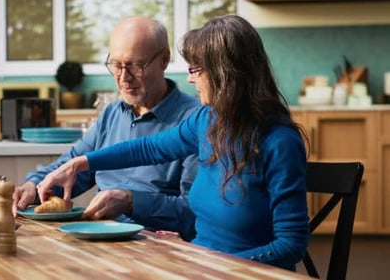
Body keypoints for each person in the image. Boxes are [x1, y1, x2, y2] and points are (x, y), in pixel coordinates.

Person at [36, 15, 310, 271]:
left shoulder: (280, 142)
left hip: (243, 273)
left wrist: (210, 262)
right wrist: (82, 163)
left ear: (226, 75)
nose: (190, 79)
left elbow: (290, 246)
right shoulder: (207, 120)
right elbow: (148, 148)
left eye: (196, 70)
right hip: (198, 266)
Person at [12, 16, 201, 241]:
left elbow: (194, 213)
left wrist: (130, 201)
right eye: (116, 65)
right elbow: (73, 166)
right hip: (97, 238)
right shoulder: (112, 114)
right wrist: (34, 185)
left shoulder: (194, 121)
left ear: (164, 60)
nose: (123, 78)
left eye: (135, 65)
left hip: (155, 244)